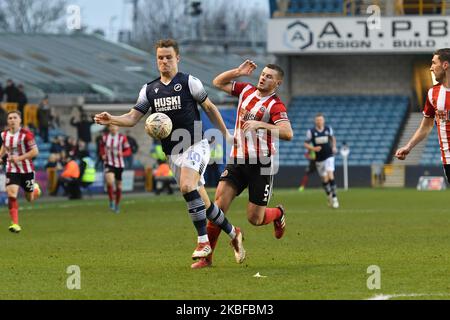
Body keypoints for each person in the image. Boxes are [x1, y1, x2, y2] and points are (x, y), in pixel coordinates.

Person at [94, 39, 244, 266]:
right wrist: (111, 119)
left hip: (196, 145)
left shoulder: (189, 82)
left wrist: (226, 134)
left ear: (177, 58)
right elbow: (133, 117)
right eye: (160, 58)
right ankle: (235, 234)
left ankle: (203, 242)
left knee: (186, 186)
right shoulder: (149, 90)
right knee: (206, 207)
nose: (164, 61)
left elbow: (210, 108)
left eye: (168, 57)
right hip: (173, 154)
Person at [192, 60, 294, 269]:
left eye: (269, 76)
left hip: (262, 163)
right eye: (263, 74)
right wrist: (238, 72)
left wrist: (261, 124)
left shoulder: (276, 105)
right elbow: (217, 82)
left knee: (254, 219)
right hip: (238, 159)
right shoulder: (246, 90)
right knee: (218, 205)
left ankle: (278, 213)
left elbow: (287, 133)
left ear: (278, 83)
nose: (263, 77)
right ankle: (207, 258)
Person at [396, 48, 450, 181]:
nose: (431, 68)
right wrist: (408, 146)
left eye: (434, 63)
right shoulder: (433, 93)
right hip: (448, 161)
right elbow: (426, 126)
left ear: (445, 65)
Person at [0, 110, 41, 233]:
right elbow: (5, 146)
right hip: (11, 169)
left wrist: (19, 158)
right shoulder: (4, 135)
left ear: (20, 120)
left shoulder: (26, 135)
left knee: (30, 198)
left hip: (27, 169)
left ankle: (35, 190)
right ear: (7, 121)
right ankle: (15, 224)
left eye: (15, 118)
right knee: (11, 194)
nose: (12, 120)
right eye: (10, 118)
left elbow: (35, 152)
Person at [304, 113, 339, 209]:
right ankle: (329, 195)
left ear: (323, 120)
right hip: (319, 159)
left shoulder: (328, 129)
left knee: (330, 174)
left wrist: (334, 147)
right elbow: (306, 144)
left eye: (321, 120)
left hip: (329, 155)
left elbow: (333, 138)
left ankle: (335, 198)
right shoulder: (311, 131)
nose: (319, 121)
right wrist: (313, 148)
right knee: (324, 179)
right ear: (315, 121)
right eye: (317, 120)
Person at [99, 124, 132, 213]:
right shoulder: (104, 137)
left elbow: (128, 150)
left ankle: (117, 205)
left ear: (118, 128)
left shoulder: (122, 138)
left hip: (119, 165)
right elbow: (101, 147)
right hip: (108, 163)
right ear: (109, 128)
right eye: (111, 127)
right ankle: (111, 201)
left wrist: (123, 154)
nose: (113, 128)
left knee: (119, 185)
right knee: (110, 181)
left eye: (115, 127)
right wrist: (102, 154)